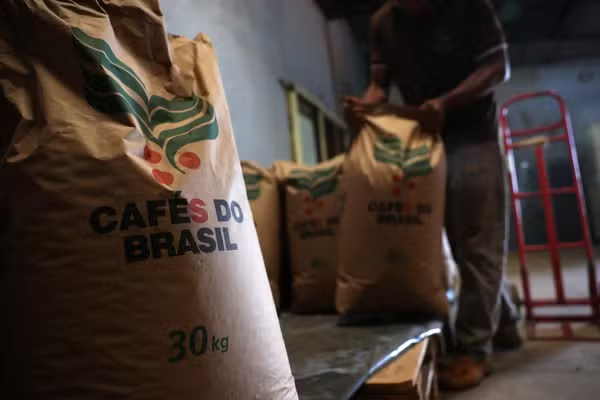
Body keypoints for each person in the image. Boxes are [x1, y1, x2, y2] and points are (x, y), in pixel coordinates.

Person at [344, 0, 522, 391]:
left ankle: (474, 349)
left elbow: (498, 67)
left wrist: (446, 102)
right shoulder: (384, 22)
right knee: (459, 244)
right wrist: (365, 106)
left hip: (473, 136)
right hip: (425, 137)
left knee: (478, 242)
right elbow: (379, 84)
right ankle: (505, 322)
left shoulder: (470, 7)